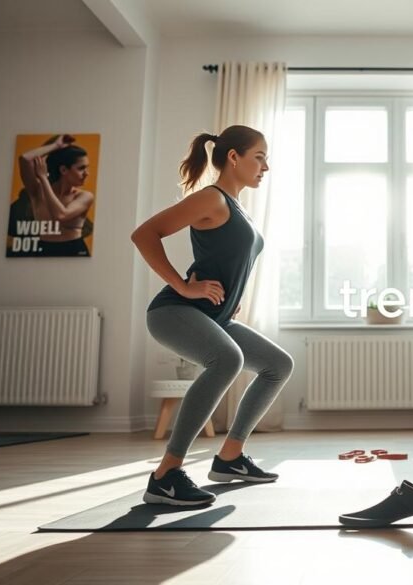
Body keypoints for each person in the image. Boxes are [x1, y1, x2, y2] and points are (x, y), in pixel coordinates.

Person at [131, 125, 293, 506]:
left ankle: (230, 457)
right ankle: (165, 475)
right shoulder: (212, 198)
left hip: (213, 316)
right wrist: (184, 286)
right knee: (228, 359)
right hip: (174, 311)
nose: (266, 167)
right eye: (259, 157)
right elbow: (145, 234)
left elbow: (227, 260)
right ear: (233, 157)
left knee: (277, 365)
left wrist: (231, 298)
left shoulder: (236, 207)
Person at [12, 134, 95, 256]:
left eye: (87, 168)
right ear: (63, 170)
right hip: (44, 249)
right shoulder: (37, 190)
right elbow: (25, 159)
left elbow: (61, 215)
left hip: (74, 251)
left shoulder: (85, 196)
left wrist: (43, 178)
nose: (87, 173)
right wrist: (56, 145)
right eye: (81, 168)